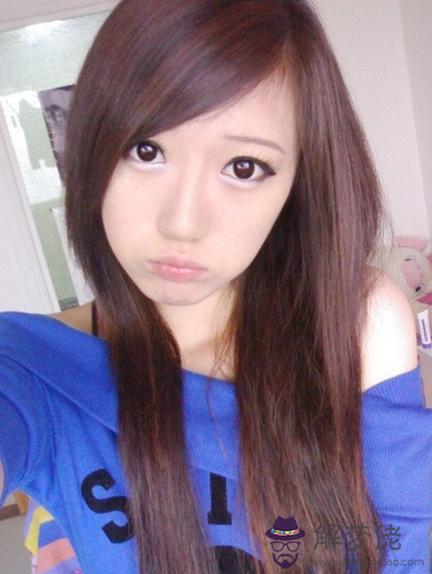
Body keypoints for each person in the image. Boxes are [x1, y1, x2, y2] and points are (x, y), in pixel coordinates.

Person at [0, 1, 431, 573]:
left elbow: (407, 550)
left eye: (244, 167)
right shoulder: (31, 365)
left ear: (298, 183)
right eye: (146, 151)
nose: (183, 223)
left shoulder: (356, 319)